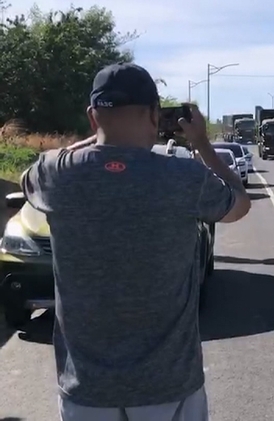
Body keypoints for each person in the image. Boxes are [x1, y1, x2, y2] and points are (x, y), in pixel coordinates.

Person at [19, 62, 252, 421]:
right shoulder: (184, 178)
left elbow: (27, 178)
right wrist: (202, 143)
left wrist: (96, 140)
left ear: (92, 117)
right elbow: (239, 203)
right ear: (155, 115)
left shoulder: (56, 175)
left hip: (87, 391)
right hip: (170, 388)